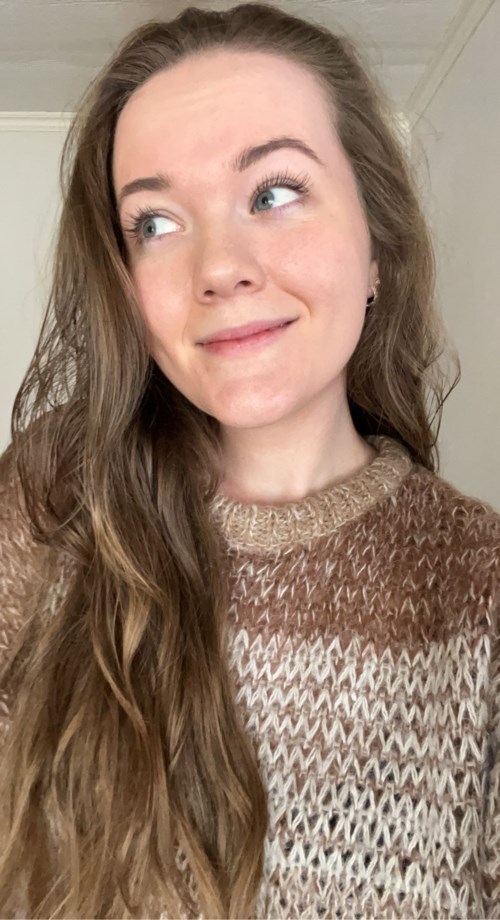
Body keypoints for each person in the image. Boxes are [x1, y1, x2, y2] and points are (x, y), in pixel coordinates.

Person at [0, 2, 499, 917]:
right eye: (155, 223)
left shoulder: (481, 593)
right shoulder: (51, 502)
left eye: (273, 193)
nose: (218, 268)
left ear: (377, 245)